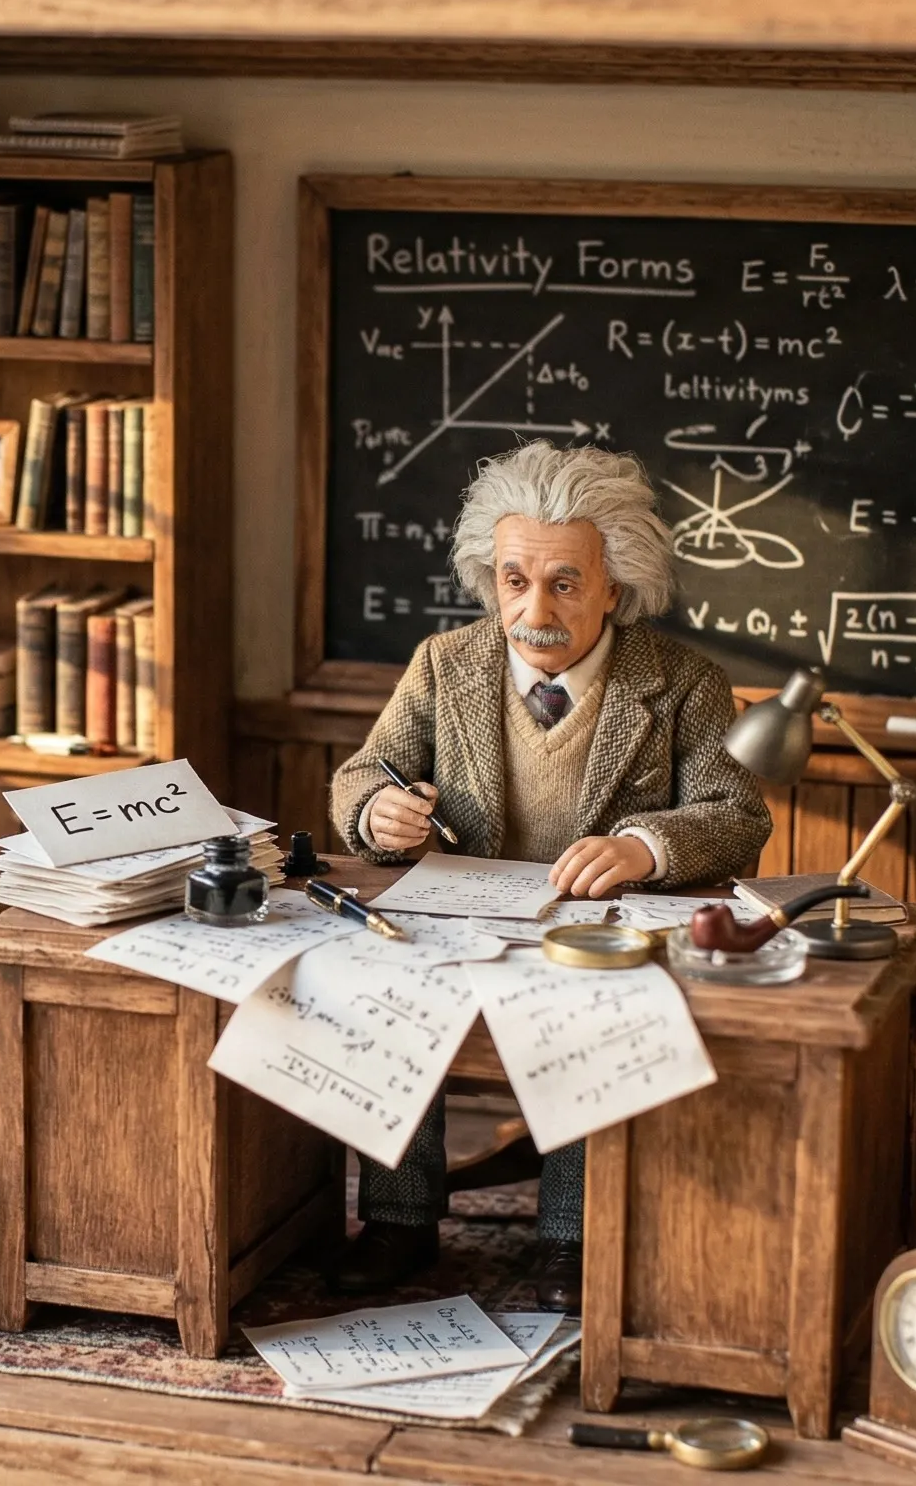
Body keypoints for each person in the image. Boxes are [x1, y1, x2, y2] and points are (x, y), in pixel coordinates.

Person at [324, 440, 772, 1307]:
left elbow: (737, 816)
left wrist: (647, 847)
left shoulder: (683, 684)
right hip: (460, 925)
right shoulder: (443, 666)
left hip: (594, 941)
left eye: (565, 583)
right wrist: (375, 811)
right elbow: (361, 773)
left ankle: (573, 1237)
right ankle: (397, 1220)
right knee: (386, 997)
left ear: (617, 585)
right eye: (514, 579)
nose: (534, 608)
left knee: (588, 1019)